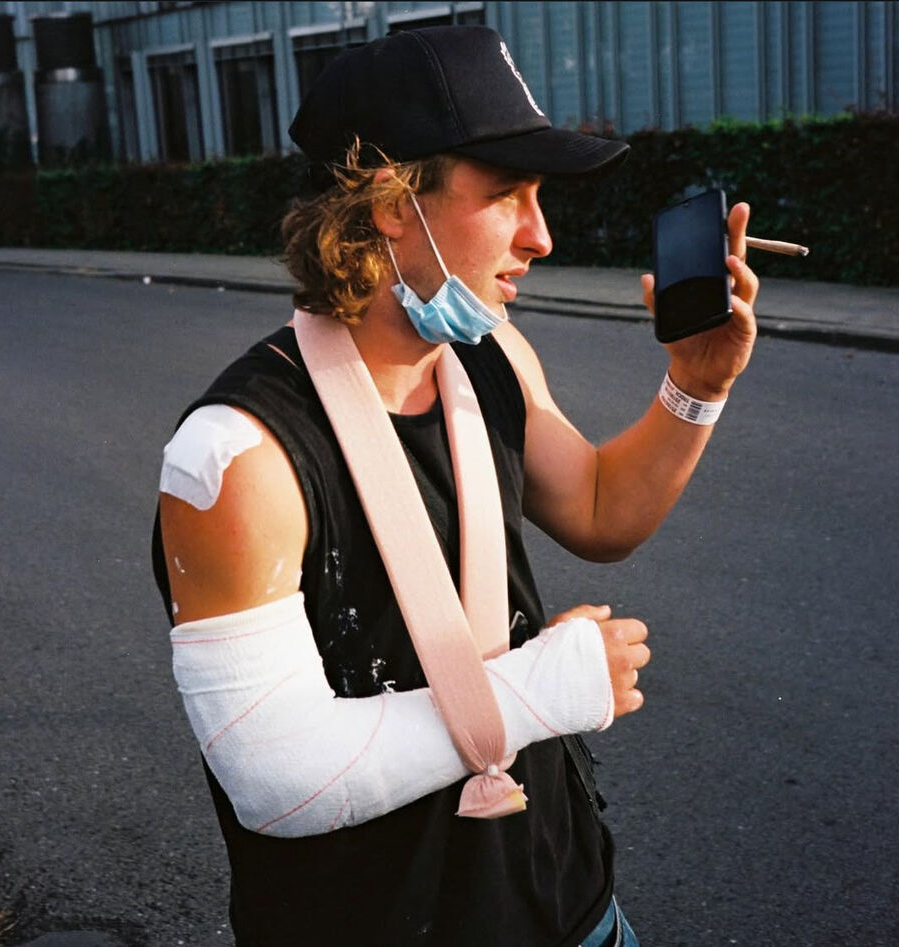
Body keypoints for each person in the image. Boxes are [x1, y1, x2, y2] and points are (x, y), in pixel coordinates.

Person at [151, 25, 758, 947]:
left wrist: (696, 385)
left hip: (571, 904)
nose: (541, 236)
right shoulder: (236, 457)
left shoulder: (492, 355)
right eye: (508, 194)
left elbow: (601, 511)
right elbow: (277, 776)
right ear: (393, 203)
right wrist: (539, 688)